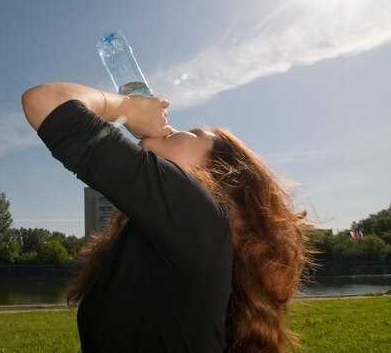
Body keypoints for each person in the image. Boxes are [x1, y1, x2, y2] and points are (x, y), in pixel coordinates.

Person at [21, 82, 319, 353]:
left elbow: (46, 102)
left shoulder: (200, 218)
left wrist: (126, 108)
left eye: (195, 133)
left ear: (218, 174)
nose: (172, 128)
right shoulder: (163, 236)